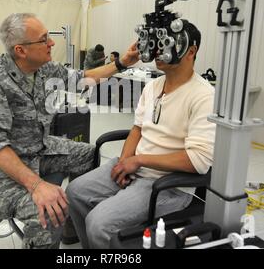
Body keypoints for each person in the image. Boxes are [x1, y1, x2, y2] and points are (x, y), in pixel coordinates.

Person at [0, 13, 139, 249]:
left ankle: (72, 225)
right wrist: (37, 185)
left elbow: (82, 78)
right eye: (43, 39)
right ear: (21, 50)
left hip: (39, 149)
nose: (51, 43)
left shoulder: (44, 68)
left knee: (90, 155)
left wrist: (122, 63)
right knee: (48, 211)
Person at [66, 20, 216, 249]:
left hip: (166, 184)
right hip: (135, 167)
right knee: (75, 192)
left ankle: (105, 237)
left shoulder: (204, 95)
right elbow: (137, 129)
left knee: (99, 223)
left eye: (167, 44)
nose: (157, 51)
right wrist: (125, 161)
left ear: (191, 50)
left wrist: (139, 160)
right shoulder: (153, 87)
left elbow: (199, 161)